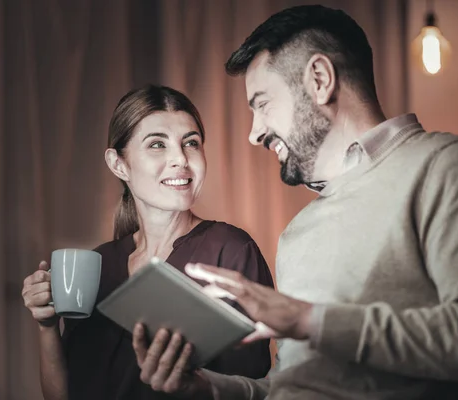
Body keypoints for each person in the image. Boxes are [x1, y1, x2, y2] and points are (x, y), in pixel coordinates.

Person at [131, 5, 458, 400]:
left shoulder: (445, 164)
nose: (254, 133)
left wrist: (310, 319)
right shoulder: (298, 232)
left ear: (320, 79)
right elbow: (291, 386)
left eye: (262, 104)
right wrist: (204, 387)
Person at [21, 85, 274, 400]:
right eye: (157, 144)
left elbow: (252, 387)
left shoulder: (231, 249)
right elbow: (63, 396)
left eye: (191, 143)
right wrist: (47, 326)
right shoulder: (99, 265)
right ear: (119, 164)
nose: (180, 159)